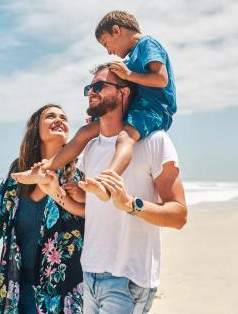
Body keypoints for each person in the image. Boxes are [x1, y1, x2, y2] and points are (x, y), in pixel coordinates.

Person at [14, 10, 176, 202]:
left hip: (154, 109)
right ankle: (45, 168)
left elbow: (161, 79)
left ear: (116, 30)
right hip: (136, 107)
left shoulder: (148, 44)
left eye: (106, 43)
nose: (108, 51)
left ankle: (108, 182)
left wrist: (128, 75)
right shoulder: (130, 58)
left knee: (126, 137)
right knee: (85, 132)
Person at [0, 104, 86, 314]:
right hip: (18, 288)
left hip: (63, 291)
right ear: (36, 129)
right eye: (51, 116)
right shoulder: (19, 174)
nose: (59, 120)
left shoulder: (77, 176)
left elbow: (98, 217)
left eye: (64, 117)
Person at [78, 64, 187, 314]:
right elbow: (91, 211)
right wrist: (58, 192)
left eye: (98, 87)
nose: (91, 93)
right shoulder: (90, 148)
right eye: (88, 88)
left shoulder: (155, 142)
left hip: (128, 279)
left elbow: (179, 215)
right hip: (90, 273)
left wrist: (131, 205)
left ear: (124, 92)